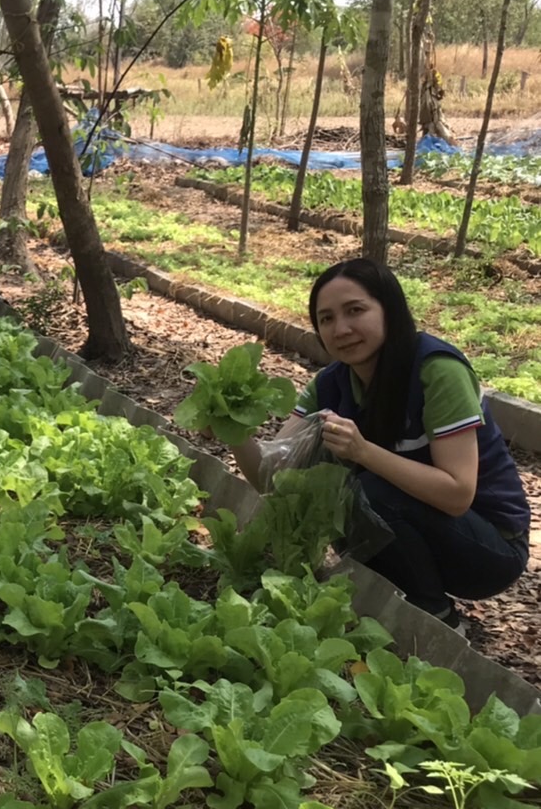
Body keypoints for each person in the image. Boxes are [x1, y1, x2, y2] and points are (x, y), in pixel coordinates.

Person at [225, 257, 530, 627]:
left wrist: (363, 451)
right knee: (338, 491)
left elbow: (457, 493)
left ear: (390, 310)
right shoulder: (330, 385)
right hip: (424, 534)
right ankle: (399, 600)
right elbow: (272, 476)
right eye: (326, 319)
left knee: (368, 489)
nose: (341, 329)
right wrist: (233, 430)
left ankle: (437, 616)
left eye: (355, 310)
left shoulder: (437, 370)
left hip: (488, 549)